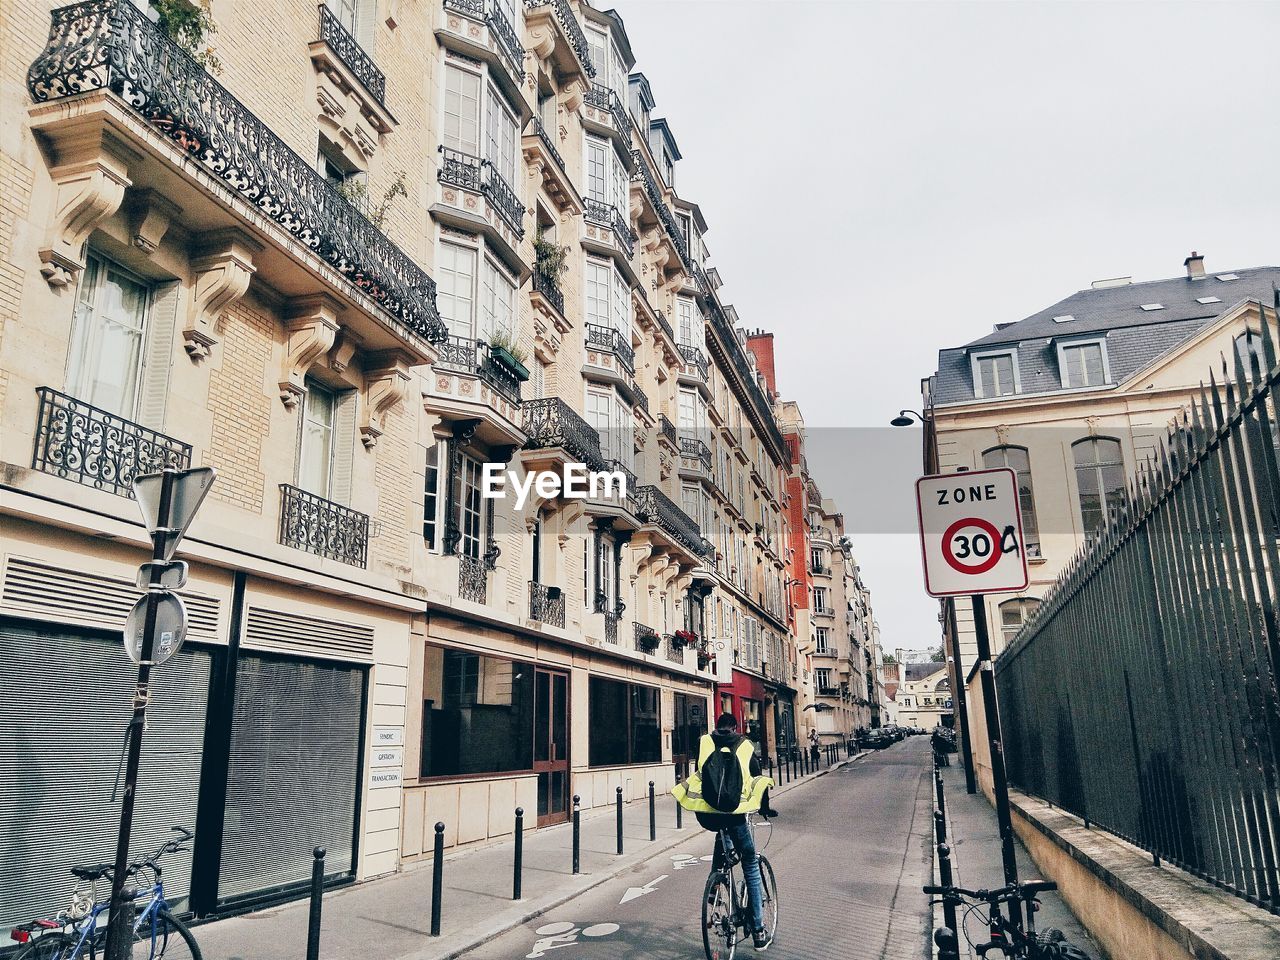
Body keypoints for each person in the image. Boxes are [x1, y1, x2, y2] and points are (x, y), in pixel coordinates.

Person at [672, 713, 777, 951]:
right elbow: (758, 780)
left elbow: (701, 773)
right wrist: (765, 808)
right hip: (736, 812)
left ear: (716, 727)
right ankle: (759, 930)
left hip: (709, 814)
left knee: (723, 839)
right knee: (750, 861)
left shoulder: (704, 741)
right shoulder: (745, 745)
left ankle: (716, 885)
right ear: (736, 727)